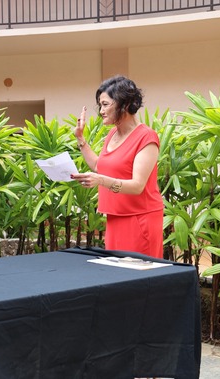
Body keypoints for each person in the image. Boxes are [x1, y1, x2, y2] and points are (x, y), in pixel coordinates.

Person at [70, 75, 164, 258]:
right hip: (115, 217)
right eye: (100, 105)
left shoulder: (147, 137)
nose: (101, 111)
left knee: (139, 279)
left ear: (124, 103)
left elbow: (137, 185)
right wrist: (80, 138)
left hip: (139, 219)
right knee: (118, 277)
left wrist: (100, 181)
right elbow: (100, 166)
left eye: (105, 104)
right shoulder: (113, 134)